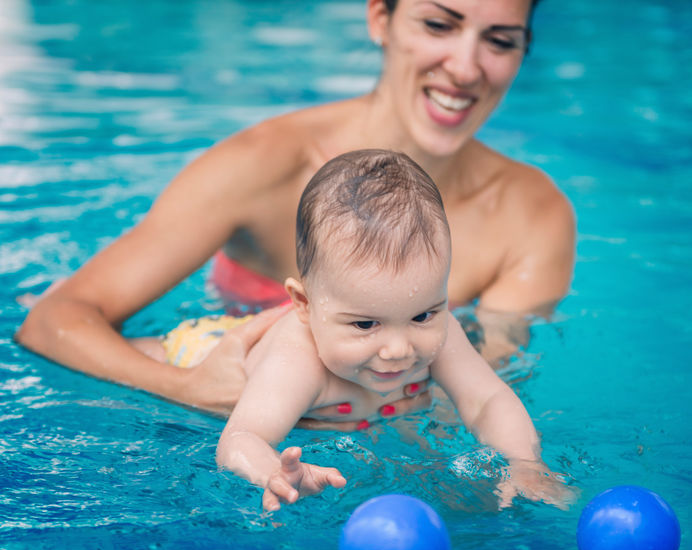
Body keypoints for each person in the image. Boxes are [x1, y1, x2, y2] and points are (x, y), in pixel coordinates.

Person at [16, 0, 575, 425]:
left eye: (500, 42)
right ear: (380, 18)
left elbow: (480, 387)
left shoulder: (532, 215)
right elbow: (52, 321)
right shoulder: (262, 167)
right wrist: (187, 388)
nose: (465, 67)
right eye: (438, 25)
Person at [136, 149, 573, 511]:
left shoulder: (443, 333)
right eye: (366, 324)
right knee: (147, 353)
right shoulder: (296, 359)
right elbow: (241, 437)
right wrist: (272, 471)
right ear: (304, 305)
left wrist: (523, 463)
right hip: (201, 346)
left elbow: (489, 400)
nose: (400, 349)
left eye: (423, 315)